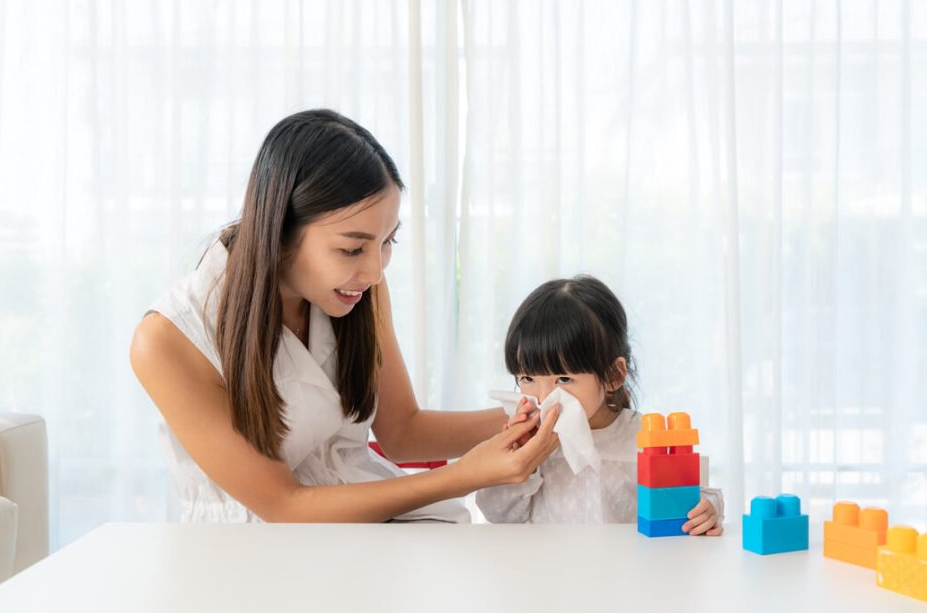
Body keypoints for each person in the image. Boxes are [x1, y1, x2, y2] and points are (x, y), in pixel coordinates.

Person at [130, 109, 559, 523]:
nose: (375, 271)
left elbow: (403, 433)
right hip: (250, 558)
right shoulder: (168, 341)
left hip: (367, 531)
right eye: (352, 248)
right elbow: (285, 506)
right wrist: (461, 477)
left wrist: (541, 415)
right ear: (279, 233)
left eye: (388, 241)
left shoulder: (359, 289)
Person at [475, 275, 724, 532]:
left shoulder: (643, 438)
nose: (543, 397)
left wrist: (709, 508)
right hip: (547, 568)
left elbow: (695, 497)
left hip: (626, 569)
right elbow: (498, 515)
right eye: (527, 378)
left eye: (563, 378)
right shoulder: (531, 443)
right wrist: (521, 463)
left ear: (613, 375)